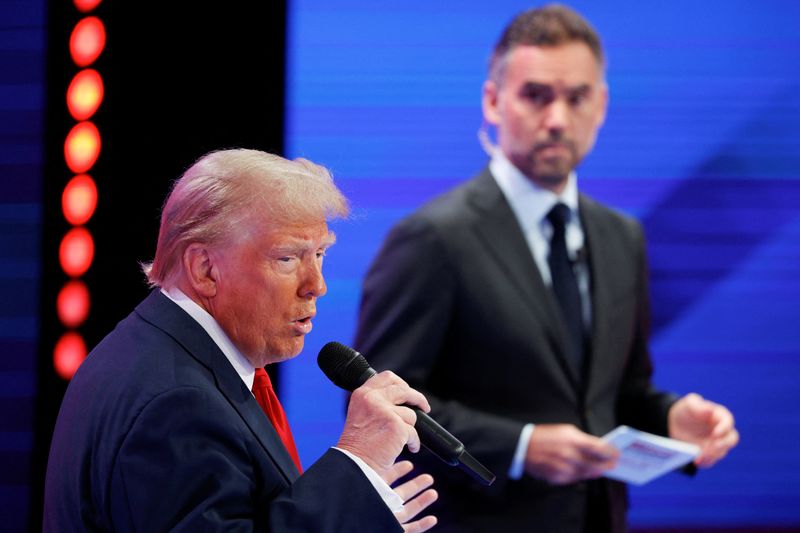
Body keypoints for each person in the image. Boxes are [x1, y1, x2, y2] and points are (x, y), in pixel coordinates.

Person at [354, 4, 739, 533]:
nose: (557, 119)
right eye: (536, 96)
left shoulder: (621, 237)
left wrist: (669, 419)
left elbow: (617, 395)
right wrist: (520, 447)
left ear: (601, 105)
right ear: (492, 101)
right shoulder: (433, 239)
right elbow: (383, 405)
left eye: (576, 98)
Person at [43, 149, 438, 532]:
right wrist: (357, 457)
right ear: (204, 269)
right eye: (287, 258)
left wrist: (351, 514)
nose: (316, 285)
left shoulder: (156, 350)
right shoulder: (178, 402)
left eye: (319, 254)